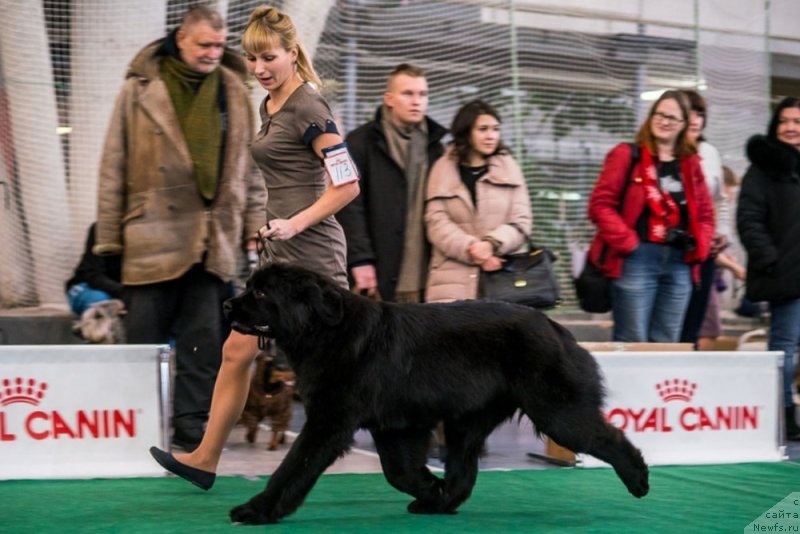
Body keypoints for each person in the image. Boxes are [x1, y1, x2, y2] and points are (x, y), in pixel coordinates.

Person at [148, 5, 360, 487]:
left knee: (340, 373)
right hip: (279, 255)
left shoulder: (309, 108)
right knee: (237, 350)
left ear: (292, 53)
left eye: (268, 57)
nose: (259, 68)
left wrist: (294, 224)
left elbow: (348, 185)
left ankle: (401, 442)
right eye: (251, 58)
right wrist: (270, 228)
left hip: (313, 258)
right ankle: (204, 459)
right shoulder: (270, 105)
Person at [94, 6, 267, 451]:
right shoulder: (139, 88)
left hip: (214, 240)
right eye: (204, 44)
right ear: (181, 38)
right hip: (151, 237)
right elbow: (113, 165)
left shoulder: (234, 89)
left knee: (203, 343)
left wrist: (253, 225)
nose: (213, 53)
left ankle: (192, 424)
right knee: (142, 343)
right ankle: (134, 422)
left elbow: (249, 169)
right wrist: (109, 240)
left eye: (219, 45)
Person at [587, 90, 715, 342]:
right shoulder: (626, 154)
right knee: (632, 339)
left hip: (680, 261)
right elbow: (600, 205)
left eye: (672, 118)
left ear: (684, 124)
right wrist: (629, 243)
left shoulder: (690, 163)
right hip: (637, 257)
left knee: (668, 342)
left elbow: (705, 215)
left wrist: (700, 246)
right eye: (659, 114)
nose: (664, 121)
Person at [337, 63, 447, 303]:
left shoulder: (437, 148)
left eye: (423, 94)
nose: (417, 101)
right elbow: (348, 206)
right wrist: (360, 259)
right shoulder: (359, 142)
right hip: (376, 271)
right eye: (408, 93)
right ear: (389, 98)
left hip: (427, 272)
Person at [424, 99, 532, 302]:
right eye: (483, 129)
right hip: (451, 281)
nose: (491, 136)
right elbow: (436, 222)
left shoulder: (510, 168)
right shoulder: (442, 169)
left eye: (495, 129)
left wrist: (491, 245)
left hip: (502, 278)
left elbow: (522, 221)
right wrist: (472, 248)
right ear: (466, 132)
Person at [737, 96, 800, 440]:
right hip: (786, 276)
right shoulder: (762, 169)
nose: (790, 127)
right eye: (784, 121)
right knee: (784, 348)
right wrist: (771, 261)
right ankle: (783, 415)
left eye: (797, 121)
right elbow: (749, 220)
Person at [678, 90, 730, 347]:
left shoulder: (709, 152)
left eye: (700, 114)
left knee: (694, 326)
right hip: (670, 249)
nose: (695, 120)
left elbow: (720, 200)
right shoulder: (660, 152)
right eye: (689, 113)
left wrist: (722, 233)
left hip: (703, 250)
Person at [66, 222, 123, 315]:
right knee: (102, 302)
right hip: (87, 286)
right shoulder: (101, 228)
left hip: (124, 291)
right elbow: (93, 276)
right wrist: (128, 294)